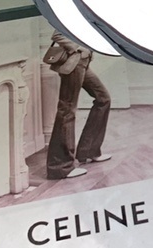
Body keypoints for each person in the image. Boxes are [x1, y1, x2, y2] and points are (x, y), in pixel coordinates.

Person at [45, 32, 113, 180]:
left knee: (103, 99)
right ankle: (59, 167)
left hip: (83, 63)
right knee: (67, 110)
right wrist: (77, 49)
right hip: (74, 63)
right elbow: (57, 34)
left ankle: (89, 151)